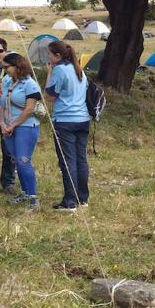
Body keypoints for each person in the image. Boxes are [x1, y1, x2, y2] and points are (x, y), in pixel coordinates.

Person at [44, 41, 91, 211]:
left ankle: (70, 202)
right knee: (81, 159)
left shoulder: (59, 70)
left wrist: (49, 73)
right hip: (83, 120)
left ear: (57, 56)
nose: (47, 57)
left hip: (65, 121)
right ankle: (83, 199)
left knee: (67, 161)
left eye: (49, 54)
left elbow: (49, 96)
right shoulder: (78, 69)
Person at [0, 53, 42, 211]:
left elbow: (29, 109)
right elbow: (1, 103)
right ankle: (24, 193)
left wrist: (13, 125)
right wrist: (2, 123)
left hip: (26, 127)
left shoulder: (30, 84)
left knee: (24, 161)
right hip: (8, 127)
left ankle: (33, 198)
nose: (5, 70)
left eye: (7, 67)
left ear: (17, 66)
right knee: (16, 161)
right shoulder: (6, 81)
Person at [0, 38, 16, 195]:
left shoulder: (11, 68)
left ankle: (8, 181)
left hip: (6, 113)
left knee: (9, 148)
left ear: (5, 51)